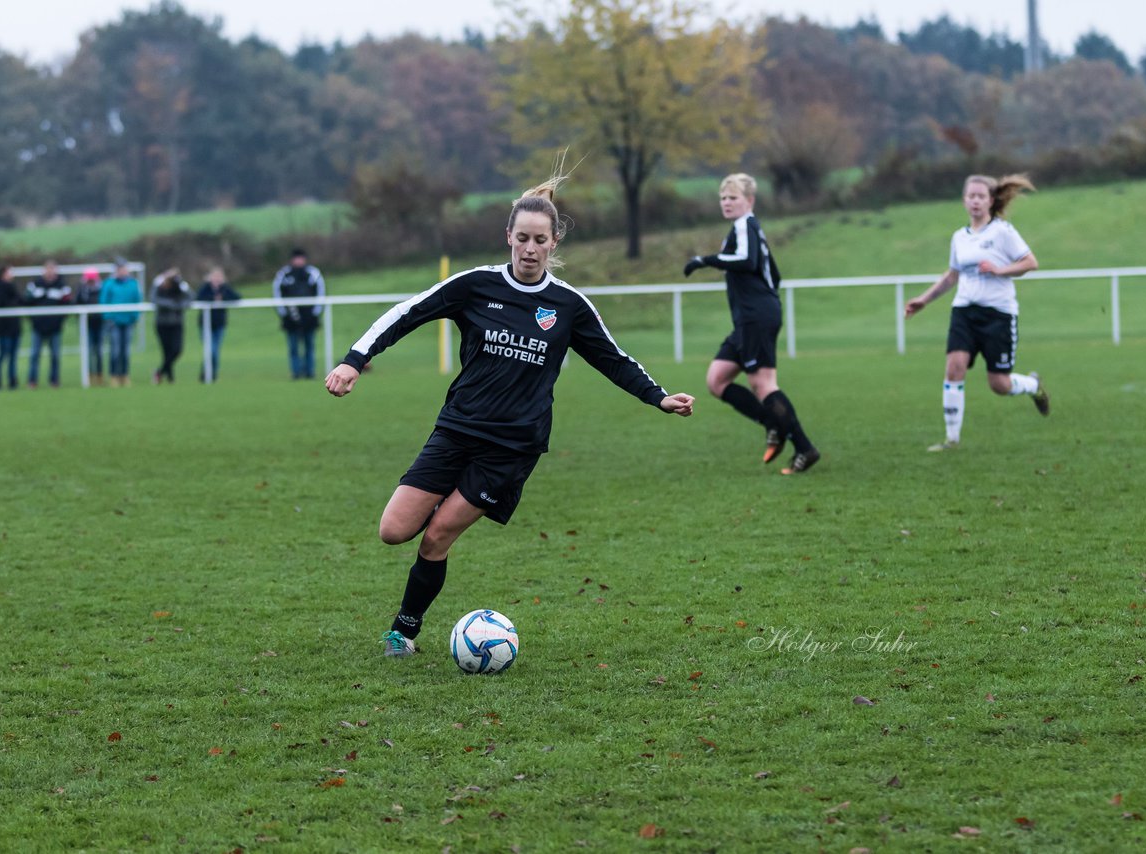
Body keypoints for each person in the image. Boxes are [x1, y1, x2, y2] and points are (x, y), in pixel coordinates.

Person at [325, 175, 695, 658]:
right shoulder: (475, 285)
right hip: (456, 430)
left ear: (553, 243)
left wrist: (659, 397)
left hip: (511, 448)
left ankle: (404, 631)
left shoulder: (567, 305)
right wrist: (354, 359)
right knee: (394, 531)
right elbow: (406, 312)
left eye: (540, 240)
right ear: (509, 237)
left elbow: (613, 358)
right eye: (522, 238)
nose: (530, 249)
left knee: (437, 536)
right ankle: (449, 503)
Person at [683, 173, 819, 474]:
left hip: (756, 316)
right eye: (723, 198)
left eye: (733, 197)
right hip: (750, 317)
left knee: (763, 384)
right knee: (717, 380)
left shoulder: (746, 224)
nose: (727, 202)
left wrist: (705, 260)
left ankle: (804, 447)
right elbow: (773, 273)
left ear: (750, 201)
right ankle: (773, 422)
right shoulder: (744, 228)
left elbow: (747, 261)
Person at [905, 174, 1048, 451]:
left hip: (998, 315)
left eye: (981, 196)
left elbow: (1031, 262)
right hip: (964, 312)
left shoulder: (1002, 231)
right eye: (971, 196)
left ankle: (1033, 385)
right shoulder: (959, 237)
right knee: (954, 368)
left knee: (999, 384)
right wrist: (923, 300)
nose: (975, 201)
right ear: (964, 201)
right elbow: (952, 276)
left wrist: (999, 270)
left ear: (991, 200)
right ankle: (952, 439)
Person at [273, 247, 326, 379]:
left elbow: (321, 293)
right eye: (296, 258)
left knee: (309, 346)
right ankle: (296, 373)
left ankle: (309, 372)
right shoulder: (283, 274)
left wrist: (315, 313)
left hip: (310, 317)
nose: (298, 261)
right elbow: (277, 294)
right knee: (293, 347)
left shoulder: (313, 273)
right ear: (292, 260)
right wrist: (284, 314)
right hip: (290, 317)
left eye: (301, 258)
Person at [24, 260, 73, 388]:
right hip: (38, 327)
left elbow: (68, 304)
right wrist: (34, 319)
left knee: (55, 356)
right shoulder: (34, 285)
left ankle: (54, 381)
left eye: (53, 269)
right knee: (34, 355)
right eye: (48, 269)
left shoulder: (62, 286)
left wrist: (59, 320)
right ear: (44, 270)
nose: (50, 272)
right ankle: (32, 381)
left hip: (55, 327)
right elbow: (26, 301)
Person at [100, 262, 142, 387]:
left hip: (128, 322)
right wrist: (109, 318)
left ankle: (125, 375)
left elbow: (137, 301)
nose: (123, 272)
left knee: (126, 351)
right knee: (115, 351)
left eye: (124, 269)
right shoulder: (109, 284)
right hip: (114, 323)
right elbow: (104, 301)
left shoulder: (133, 284)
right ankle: (114, 375)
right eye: (120, 270)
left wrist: (134, 317)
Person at [150, 267, 195, 384]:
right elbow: (154, 299)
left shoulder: (179, 287)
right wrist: (172, 305)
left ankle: (159, 372)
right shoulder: (159, 286)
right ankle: (170, 378)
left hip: (176, 323)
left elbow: (191, 298)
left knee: (176, 350)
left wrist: (183, 286)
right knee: (166, 351)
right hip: (162, 323)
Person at [195, 267, 240, 382]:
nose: (217, 279)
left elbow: (237, 297)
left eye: (219, 277)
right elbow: (198, 297)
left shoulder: (224, 288)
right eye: (215, 276)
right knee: (210, 350)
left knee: (215, 351)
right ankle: (207, 374)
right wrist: (213, 298)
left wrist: (223, 298)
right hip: (206, 324)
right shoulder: (206, 288)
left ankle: (211, 374)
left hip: (219, 324)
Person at [0, 265, 22, 390]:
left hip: (15, 327)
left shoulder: (12, 287)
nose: (11, 275)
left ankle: (12, 381)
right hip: (3, 328)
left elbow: (20, 300)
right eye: (9, 272)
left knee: (13, 356)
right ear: (3, 274)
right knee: (3, 354)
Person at [76, 268, 105, 386]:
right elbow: (77, 303)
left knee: (98, 351)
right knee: (87, 351)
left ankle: (99, 375)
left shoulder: (102, 289)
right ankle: (88, 375)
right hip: (86, 325)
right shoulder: (82, 290)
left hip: (100, 323)